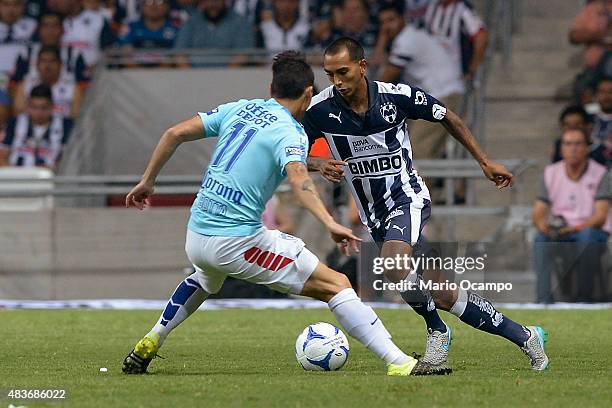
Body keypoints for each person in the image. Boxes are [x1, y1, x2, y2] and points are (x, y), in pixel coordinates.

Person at [121, 51, 448, 377]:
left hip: (197, 233)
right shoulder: (290, 131)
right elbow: (298, 180)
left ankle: (152, 338)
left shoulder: (239, 108)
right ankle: (399, 362)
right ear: (309, 93)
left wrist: (148, 181)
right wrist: (329, 222)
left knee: (204, 279)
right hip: (237, 241)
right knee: (337, 284)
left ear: (271, 87)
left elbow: (173, 134)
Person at [302, 37, 549, 371]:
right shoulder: (319, 110)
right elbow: (291, 150)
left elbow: (449, 116)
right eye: (330, 74)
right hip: (374, 215)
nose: (337, 81)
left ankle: (437, 330)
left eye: (343, 72)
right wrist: (318, 164)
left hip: (408, 198)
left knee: (392, 265)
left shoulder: (396, 96)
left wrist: (484, 162)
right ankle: (525, 336)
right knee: (445, 295)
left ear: (362, 66)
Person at [533, 127, 611, 303]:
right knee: (540, 238)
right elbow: (538, 211)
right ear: (562, 149)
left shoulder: (601, 173)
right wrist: (543, 225)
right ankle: (543, 300)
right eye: (568, 144)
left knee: (587, 236)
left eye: (578, 144)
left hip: (591, 230)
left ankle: (584, 299)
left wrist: (573, 228)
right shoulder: (550, 172)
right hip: (561, 231)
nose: (573, 148)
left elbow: (600, 216)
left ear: (586, 148)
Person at [0, 84, 73, 169]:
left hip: (51, 177)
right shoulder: (14, 123)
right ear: (28, 105)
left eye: (44, 108)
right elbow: (2, 156)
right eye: (34, 107)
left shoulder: (65, 125)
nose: (39, 112)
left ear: (52, 106)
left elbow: (68, 158)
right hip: (17, 176)